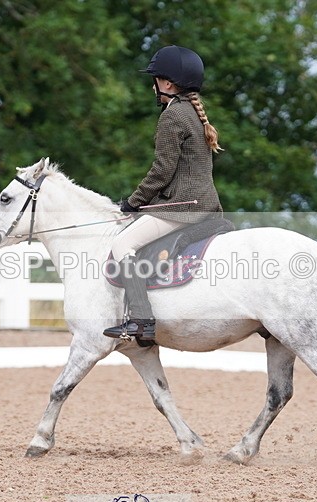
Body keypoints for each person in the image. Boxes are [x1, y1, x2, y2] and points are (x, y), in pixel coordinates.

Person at [103, 45, 224, 342]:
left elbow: (161, 171)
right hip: (208, 205)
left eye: (155, 79)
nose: (153, 85)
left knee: (121, 244)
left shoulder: (172, 117)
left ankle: (141, 320)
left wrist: (134, 202)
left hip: (183, 208)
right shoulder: (194, 115)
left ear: (167, 83)